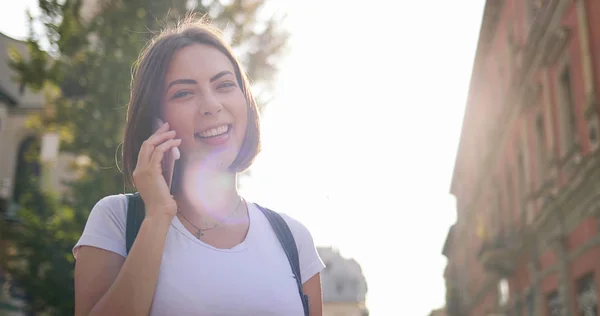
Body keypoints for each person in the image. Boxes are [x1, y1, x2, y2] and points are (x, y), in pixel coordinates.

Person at [72, 16, 325, 316]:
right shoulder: (117, 220)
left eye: (225, 85)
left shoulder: (293, 240)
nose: (211, 105)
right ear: (155, 120)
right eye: (184, 93)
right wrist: (158, 216)